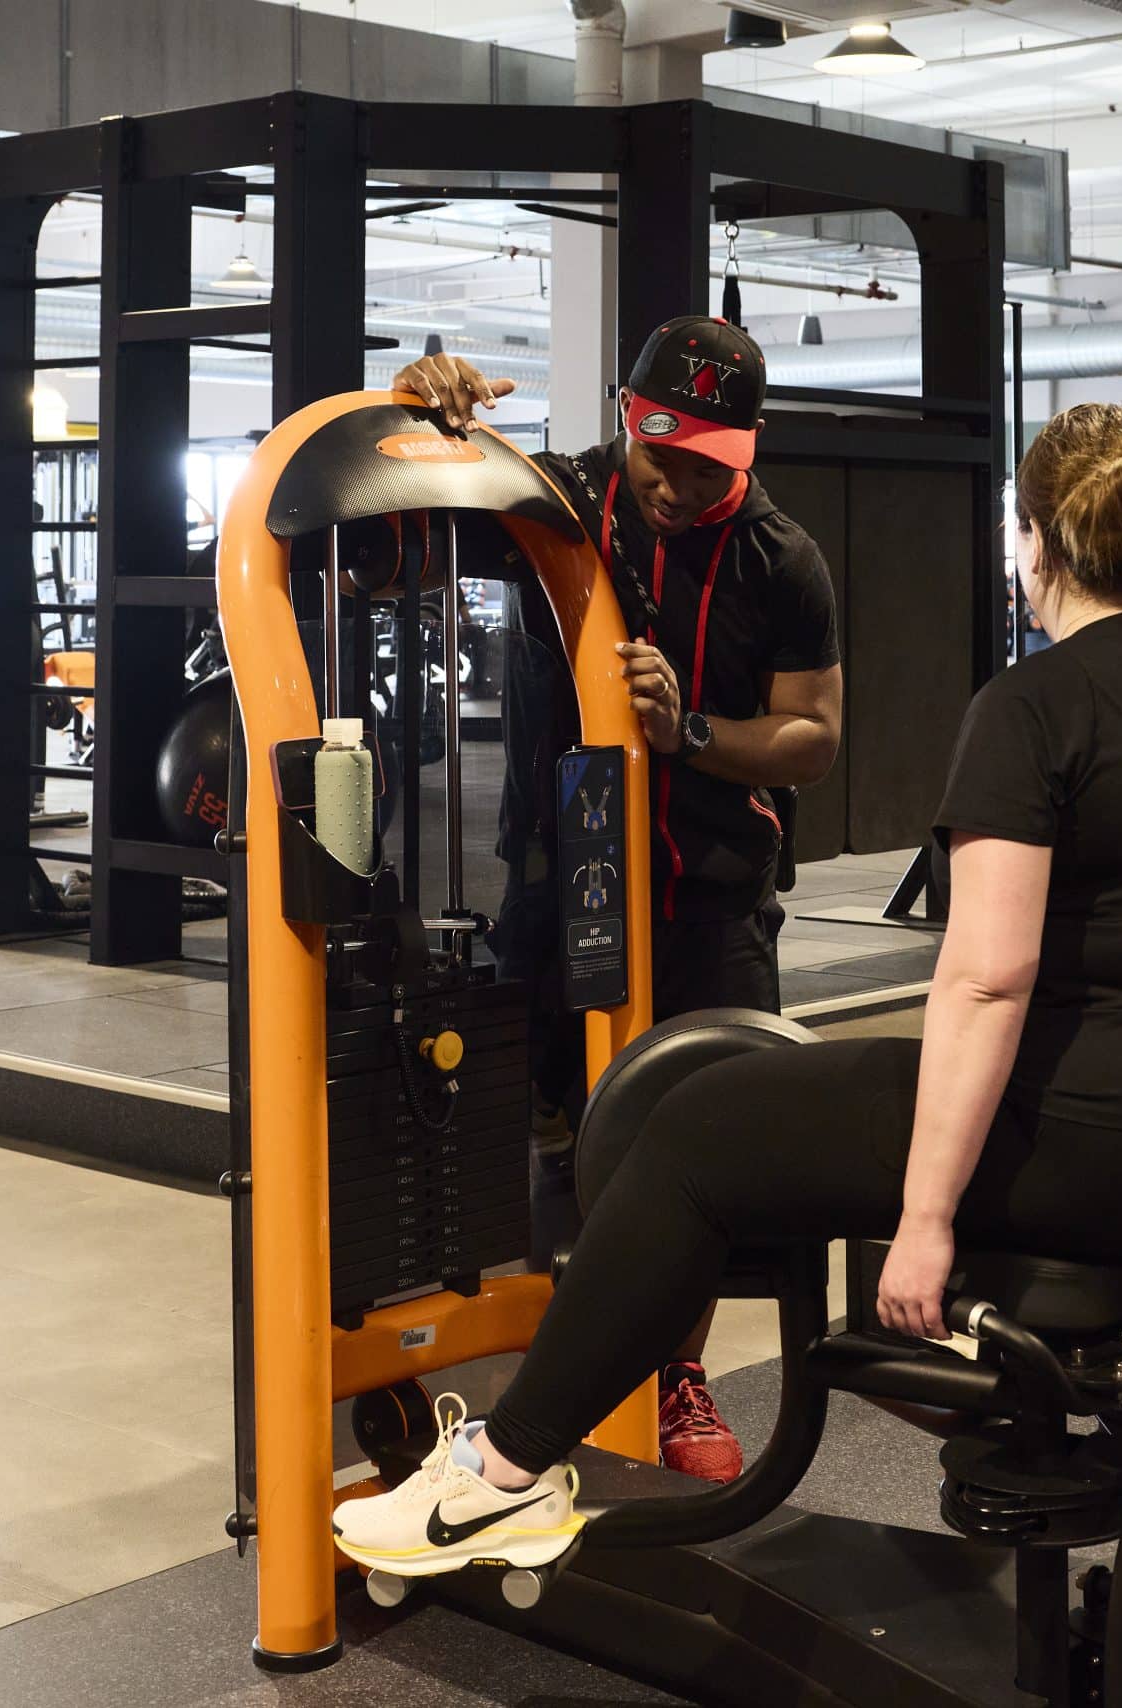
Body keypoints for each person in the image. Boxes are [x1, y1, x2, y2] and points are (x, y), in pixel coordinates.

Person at [329, 401, 1122, 1580]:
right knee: (745, 1098)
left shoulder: (1036, 704)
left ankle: (499, 1478)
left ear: (1035, 549)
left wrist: (926, 1220)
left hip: (1089, 1143)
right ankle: (605, 1399)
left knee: (696, 1125)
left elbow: (988, 982)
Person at [394, 317, 843, 1484]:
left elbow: (813, 736)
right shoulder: (565, 494)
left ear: (745, 452)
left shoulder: (779, 558)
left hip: (710, 895)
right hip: (557, 877)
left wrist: (685, 730)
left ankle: (676, 1371)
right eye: (660, 454)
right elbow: (420, 514)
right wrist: (426, 409)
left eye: (707, 466)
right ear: (627, 420)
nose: (677, 484)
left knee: (699, 1141)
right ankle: (561, 1350)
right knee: (558, 1126)